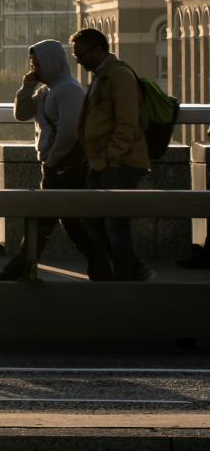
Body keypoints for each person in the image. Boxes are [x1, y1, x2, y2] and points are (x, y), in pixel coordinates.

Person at [0, 39, 108, 280]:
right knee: (63, 223)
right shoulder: (48, 89)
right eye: (32, 64)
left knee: (50, 221)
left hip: (64, 168)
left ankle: (19, 270)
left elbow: (70, 131)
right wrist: (26, 88)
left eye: (38, 64)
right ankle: (101, 268)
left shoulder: (68, 90)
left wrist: (53, 160)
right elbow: (22, 114)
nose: (34, 69)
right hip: (56, 166)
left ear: (51, 63)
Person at [71, 27, 153, 282]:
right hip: (101, 163)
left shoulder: (119, 76)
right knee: (93, 221)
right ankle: (131, 269)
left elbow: (127, 123)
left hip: (119, 163)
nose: (79, 60)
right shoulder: (102, 75)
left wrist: (110, 158)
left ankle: (127, 274)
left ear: (98, 49)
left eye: (81, 54)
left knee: (116, 224)